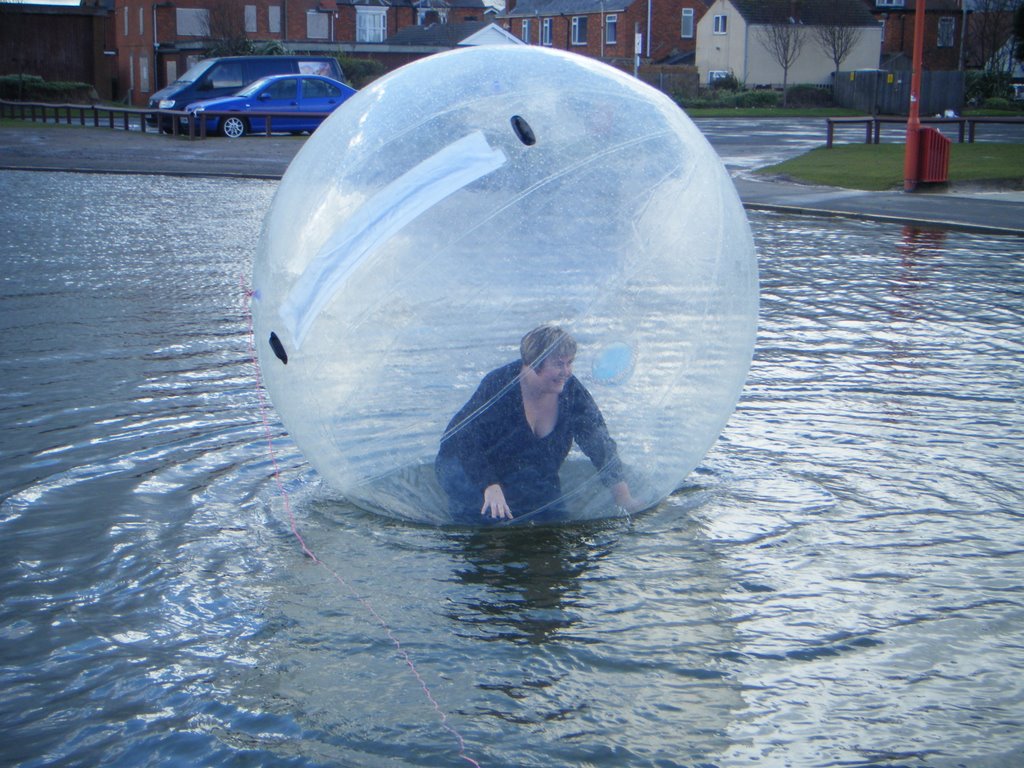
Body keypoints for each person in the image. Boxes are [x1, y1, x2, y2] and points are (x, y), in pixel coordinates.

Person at [435, 325, 639, 523]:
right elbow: (466, 440)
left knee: (555, 523)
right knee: (490, 526)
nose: (566, 372)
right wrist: (489, 485)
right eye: (559, 364)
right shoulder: (499, 387)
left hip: (529, 468)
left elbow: (599, 443)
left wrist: (623, 498)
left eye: (570, 363)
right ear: (534, 363)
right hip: (467, 469)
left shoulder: (571, 391)